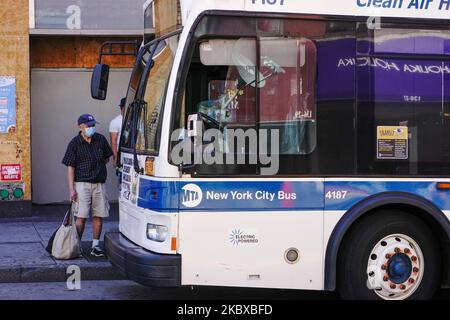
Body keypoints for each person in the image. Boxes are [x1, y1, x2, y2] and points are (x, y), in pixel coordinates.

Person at [62, 114, 114, 257]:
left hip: (99, 184)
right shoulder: (74, 143)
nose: (91, 128)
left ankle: (95, 245)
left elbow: (107, 157)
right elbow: (70, 167)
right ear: (80, 126)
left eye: (93, 125)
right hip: (82, 184)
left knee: (99, 215)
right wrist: (72, 189)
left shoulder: (100, 139)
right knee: (81, 216)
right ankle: (77, 245)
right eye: (88, 125)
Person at [109, 97, 126, 166]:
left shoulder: (137, 120)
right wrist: (116, 158)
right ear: (122, 107)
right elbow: (113, 142)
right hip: (121, 153)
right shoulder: (115, 122)